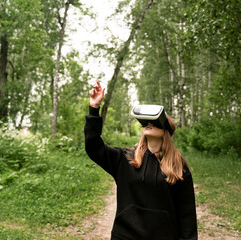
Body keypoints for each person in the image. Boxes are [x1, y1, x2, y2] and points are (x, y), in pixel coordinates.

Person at [84, 81, 198, 240]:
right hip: (124, 236)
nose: (148, 124)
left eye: (154, 121)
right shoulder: (125, 159)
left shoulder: (178, 166)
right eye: (146, 121)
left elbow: (187, 216)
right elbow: (93, 147)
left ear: (166, 131)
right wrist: (94, 109)